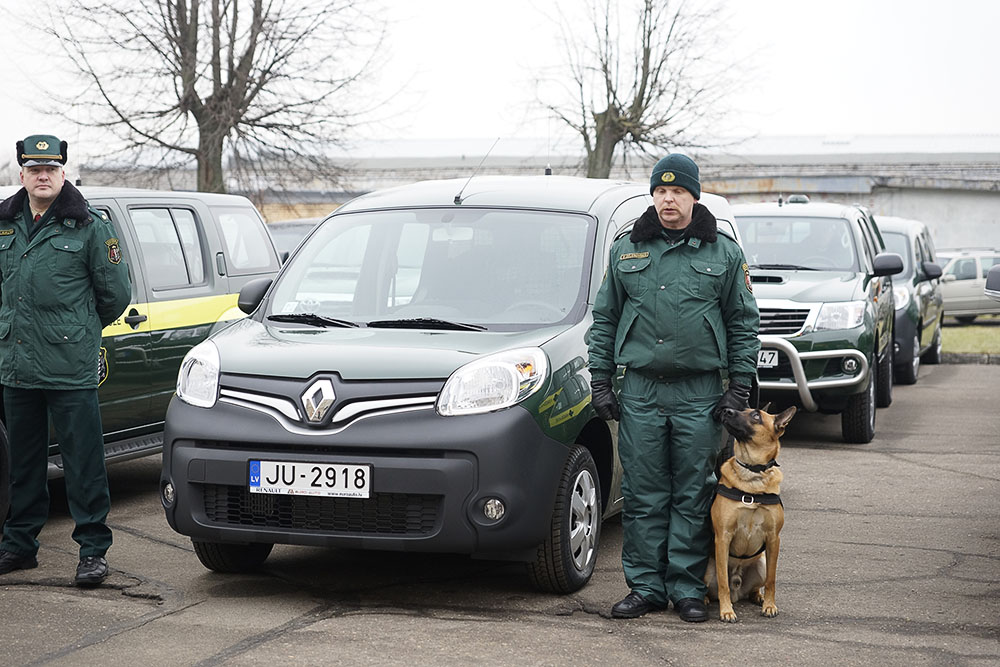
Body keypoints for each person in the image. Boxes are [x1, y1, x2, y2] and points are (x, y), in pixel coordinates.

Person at [587, 153, 760, 622]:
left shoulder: (723, 252)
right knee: (643, 494)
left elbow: (743, 322)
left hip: (700, 394)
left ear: (694, 196)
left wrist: (739, 387)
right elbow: (604, 319)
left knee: (693, 491)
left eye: (678, 191)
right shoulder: (626, 249)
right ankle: (644, 587)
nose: (668, 199)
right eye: (661, 191)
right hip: (641, 391)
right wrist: (599, 377)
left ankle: (686, 587)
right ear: (653, 196)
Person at [0, 134, 131, 587]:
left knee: (83, 462)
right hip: (17, 366)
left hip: (69, 366)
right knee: (24, 463)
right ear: (22, 174)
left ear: (62, 173)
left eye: (50, 169)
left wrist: (77, 333)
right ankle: (19, 545)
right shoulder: (4, 222)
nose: (42, 176)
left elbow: (115, 295)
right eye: (34, 169)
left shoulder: (89, 225)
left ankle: (93, 551)